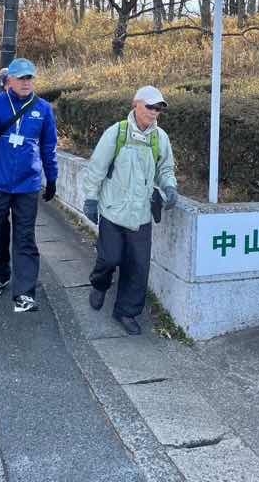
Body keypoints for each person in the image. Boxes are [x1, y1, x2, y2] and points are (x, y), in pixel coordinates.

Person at [0, 58, 58, 313]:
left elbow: (49, 148)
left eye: (30, 78)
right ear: (10, 81)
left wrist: (52, 178)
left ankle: (25, 292)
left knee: (25, 238)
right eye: (21, 78)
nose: (26, 82)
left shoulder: (44, 109)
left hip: (27, 184)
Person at [83, 85, 177, 335]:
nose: (154, 112)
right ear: (136, 104)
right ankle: (100, 284)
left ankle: (126, 311)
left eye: (159, 108)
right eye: (150, 106)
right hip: (114, 210)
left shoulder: (160, 138)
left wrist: (170, 187)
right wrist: (91, 199)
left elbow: (165, 169)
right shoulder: (117, 133)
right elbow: (97, 168)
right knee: (109, 258)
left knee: (138, 267)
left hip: (142, 215)